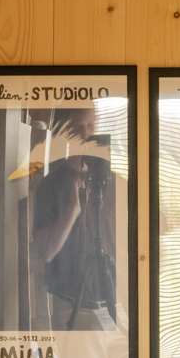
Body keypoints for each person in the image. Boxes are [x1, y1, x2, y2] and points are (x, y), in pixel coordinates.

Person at [26, 106, 118, 332]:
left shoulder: (112, 182)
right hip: (72, 307)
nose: (86, 134)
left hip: (113, 302)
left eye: (91, 126)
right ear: (66, 133)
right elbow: (45, 252)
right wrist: (73, 210)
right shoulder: (51, 184)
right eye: (78, 128)